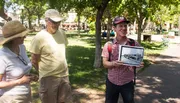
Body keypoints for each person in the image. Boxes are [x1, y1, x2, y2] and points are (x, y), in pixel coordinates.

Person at [29, 9, 71, 103]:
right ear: (46, 20)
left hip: (64, 76)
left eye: (58, 22)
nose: (56, 24)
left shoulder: (62, 33)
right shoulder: (39, 37)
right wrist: (43, 73)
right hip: (48, 78)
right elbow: (34, 60)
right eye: (54, 22)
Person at [102, 16, 144, 103]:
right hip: (112, 82)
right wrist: (113, 63)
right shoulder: (109, 45)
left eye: (125, 25)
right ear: (114, 28)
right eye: (120, 26)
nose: (124, 28)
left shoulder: (134, 44)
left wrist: (139, 64)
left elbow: (138, 60)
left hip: (127, 83)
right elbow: (105, 63)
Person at [0, 20, 32, 103]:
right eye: (21, 36)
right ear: (13, 39)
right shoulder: (2, 56)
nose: (25, 37)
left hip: (26, 94)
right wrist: (20, 81)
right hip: (11, 98)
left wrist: (30, 76)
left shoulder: (22, 48)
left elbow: (22, 69)